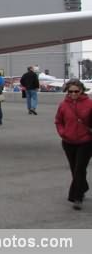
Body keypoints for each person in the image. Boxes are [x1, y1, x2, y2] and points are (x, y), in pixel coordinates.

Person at [54, 79, 92, 210]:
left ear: (82, 90)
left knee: (79, 169)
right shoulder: (63, 105)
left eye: (76, 91)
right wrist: (63, 132)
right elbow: (58, 121)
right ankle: (83, 186)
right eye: (70, 91)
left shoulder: (89, 104)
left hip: (85, 142)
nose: (73, 94)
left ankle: (77, 197)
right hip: (68, 142)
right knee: (74, 169)